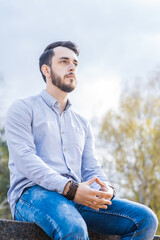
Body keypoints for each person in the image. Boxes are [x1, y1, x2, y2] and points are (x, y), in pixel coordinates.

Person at [5, 41, 158, 240]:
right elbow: (25, 160)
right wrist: (70, 189)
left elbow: (91, 167)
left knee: (145, 219)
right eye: (63, 61)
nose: (71, 68)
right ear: (46, 70)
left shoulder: (81, 122)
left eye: (75, 64)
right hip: (32, 195)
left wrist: (107, 189)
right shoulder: (23, 109)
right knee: (74, 228)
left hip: (78, 197)